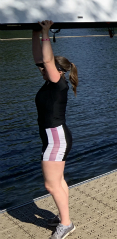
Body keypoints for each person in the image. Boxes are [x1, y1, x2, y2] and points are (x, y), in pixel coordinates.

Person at [32, 20, 78, 239]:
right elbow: (40, 59)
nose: (42, 68)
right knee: (58, 182)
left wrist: (45, 33)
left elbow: (47, 59)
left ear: (58, 71)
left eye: (46, 68)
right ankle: (63, 218)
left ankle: (66, 224)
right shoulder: (49, 82)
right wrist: (34, 33)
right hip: (53, 137)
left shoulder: (58, 82)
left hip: (56, 139)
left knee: (51, 185)